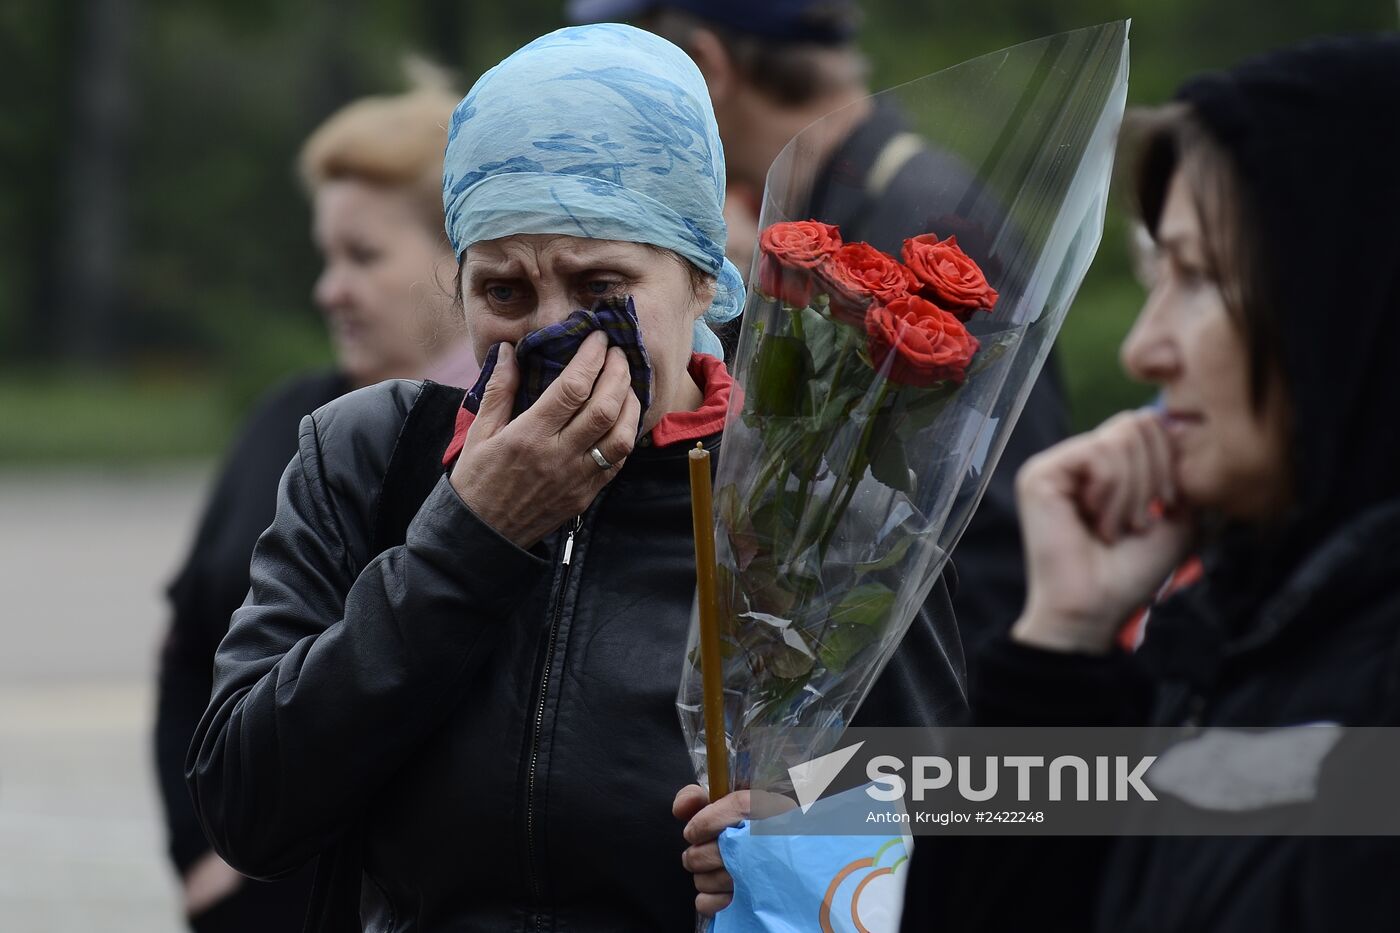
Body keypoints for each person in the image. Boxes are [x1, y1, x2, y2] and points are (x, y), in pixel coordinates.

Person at [185, 24, 967, 932]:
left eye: (601, 287)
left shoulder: (812, 507)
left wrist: (819, 851)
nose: (557, 334)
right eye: (505, 293)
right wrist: (467, 539)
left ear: (702, 279)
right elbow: (246, 806)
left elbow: (963, 834)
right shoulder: (369, 458)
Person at [689, 34, 1400, 932]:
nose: (1147, 348)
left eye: (1204, 279)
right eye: (1156, 278)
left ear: (1351, 301)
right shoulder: (1238, 631)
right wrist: (1061, 646)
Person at [569, 0, 1069, 658]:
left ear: (707, 69)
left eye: (625, 90)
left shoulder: (922, 225)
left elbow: (999, 545)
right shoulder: (829, 209)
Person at [154, 70, 473, 933]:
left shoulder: (528, 460)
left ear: (465, 256)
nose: (329, 289)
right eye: (325, 256)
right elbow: (189, 644)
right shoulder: (285, 421)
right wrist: (200, 853)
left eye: (363, 256)